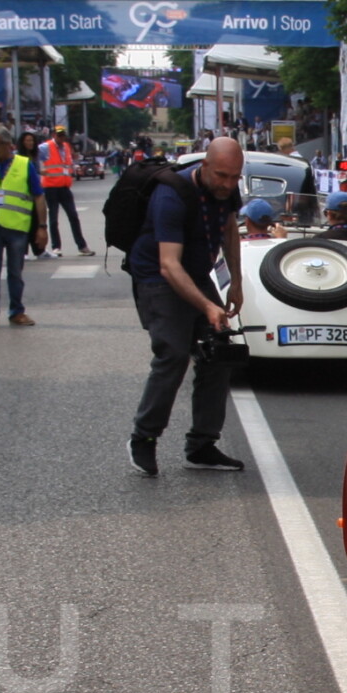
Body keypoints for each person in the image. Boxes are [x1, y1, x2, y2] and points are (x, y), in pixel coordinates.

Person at [125, 139, 247, 476]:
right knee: (174, 354)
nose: (227, 184)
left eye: (234, 177)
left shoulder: (227, 188)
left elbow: (229, 231)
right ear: (204, 166)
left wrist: (235, 281)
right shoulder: (171, 195)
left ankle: (202, 444)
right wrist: (208, 306)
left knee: (218, 353)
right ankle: (143, 437)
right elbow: (169, 266)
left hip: (196, 273)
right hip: (158, 277)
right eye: (221, 176)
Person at [0, 127, 45, 328]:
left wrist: (42, 227)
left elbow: (39, 196)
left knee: (15, 273)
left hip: (16, 227)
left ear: (7, 145)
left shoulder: (24, 164)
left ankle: (17, 312)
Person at [38, 125, 88, 255]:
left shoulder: (66, 147)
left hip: (64, 186)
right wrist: (39, 171)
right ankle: (56, 247)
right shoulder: (45, 147)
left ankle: (82, 246)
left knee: (73, 216)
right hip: (51, 187)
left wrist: (74, 169)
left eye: (63, 135)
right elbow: (34, 157)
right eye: (59, 135)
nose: (61, 137)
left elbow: (68, 163)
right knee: (54, 219)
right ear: (53, 135)